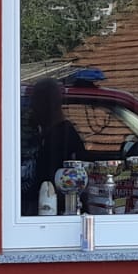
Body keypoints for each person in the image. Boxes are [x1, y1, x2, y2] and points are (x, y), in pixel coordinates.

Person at [20, 77, 88, 213]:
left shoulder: (63, 138)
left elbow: (61, 185)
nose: (31, 107)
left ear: (47, 104)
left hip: (52, 210)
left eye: (35, 102)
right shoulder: (42, 136)